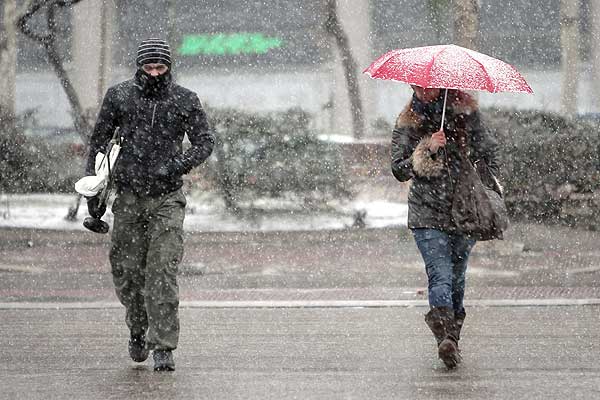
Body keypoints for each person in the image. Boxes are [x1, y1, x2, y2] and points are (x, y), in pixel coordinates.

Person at [85, 38, 215, 371]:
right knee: (128, 273)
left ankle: (164, 347)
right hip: (127, 197)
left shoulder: (184, 99)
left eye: (161, 67)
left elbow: (204, 142)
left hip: (167, 197)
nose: (154, 73)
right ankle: (138, 330)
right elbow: (99, 143)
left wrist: (176, 164)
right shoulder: (119, 97)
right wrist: (92, 194)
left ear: (169, 67)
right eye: (149, 67)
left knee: (161, 271)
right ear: (139, 67)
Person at [391, 86, 499, 369]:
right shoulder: (408, 121)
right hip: (427, 214)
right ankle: (444, 340)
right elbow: (398, 169)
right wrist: (427, 149)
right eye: (416, 86)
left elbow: (489, 151)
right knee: (439, 274)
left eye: (426, 86)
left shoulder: (466, 112)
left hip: (464, 208)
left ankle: (453, 337)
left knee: (457, 277)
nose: (421, 90)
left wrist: (489, 184)